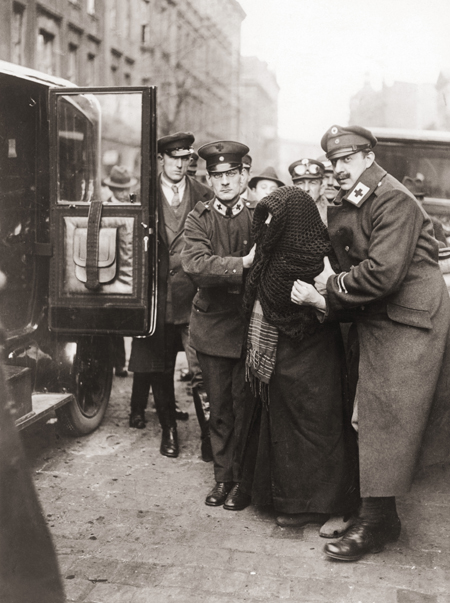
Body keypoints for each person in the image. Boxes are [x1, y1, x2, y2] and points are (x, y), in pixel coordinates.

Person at [291, 124, 450, 562]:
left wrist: (331, 284)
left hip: (409, 320)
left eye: (347, 160)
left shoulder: (393, 198)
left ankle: (376, 523)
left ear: (367, 158)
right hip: (379, 314)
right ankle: (381, 516)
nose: (339, 169)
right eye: (334, 162)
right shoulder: (358, 197)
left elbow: (382, 273)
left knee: (384, 418)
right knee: (367, 413)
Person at [240, 186, 359, 532]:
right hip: (282, 355)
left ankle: (322, 503)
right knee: (286, 429)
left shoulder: (321, 256)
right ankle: (292, 501)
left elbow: (345, 306)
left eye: (277, 217)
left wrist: (315, 300)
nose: (270, 223)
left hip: (316, 358)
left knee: (318, 429)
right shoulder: (270, 253)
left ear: (296, 219)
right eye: (267, 217)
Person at [128, 132, 214, 460]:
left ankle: (210, 435)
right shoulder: (144, 196)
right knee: (160, 368)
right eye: (174, 158)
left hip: (195, 298)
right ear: (161, 159)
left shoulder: (204, 195)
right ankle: (170, 431)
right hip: (159, 298)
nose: (180, 165)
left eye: (185, 158)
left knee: (202, 369)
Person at [181, 140, 257, 510]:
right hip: (212, 328)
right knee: (219, 409)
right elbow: (194, 265)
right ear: (208, 179)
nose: (224, 182)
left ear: (244, 175)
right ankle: (222, 478)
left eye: (231, 174)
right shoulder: (199, 217)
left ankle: (243, 481)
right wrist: (243, 264)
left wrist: (221, 267)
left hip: (250, 329)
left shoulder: (261, 215)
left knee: (246, 408)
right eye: (217, 176)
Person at [103, 164, 139, 376]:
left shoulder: (136, 205)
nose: (124, 193)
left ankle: (131, 362)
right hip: (111, 264)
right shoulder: (103, 207)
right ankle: (118, 364)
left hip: (131, 264)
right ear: (113, 190)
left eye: (126, 189)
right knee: (112, 316)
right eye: (120, 189)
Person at [402, 175, 447, 245]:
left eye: (419, 198)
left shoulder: (434, 224)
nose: (415, 202)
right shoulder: (397, 220)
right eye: (411, 198)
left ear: (422, 200)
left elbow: (444, 253)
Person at [289, 158, 331, 225]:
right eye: (300, 183)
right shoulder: (284, 215)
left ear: (322, 189)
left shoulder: (333, 216)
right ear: (292, 189)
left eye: (313, 183)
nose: (306, 189)